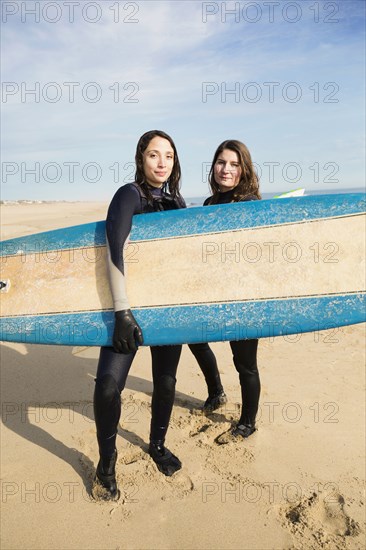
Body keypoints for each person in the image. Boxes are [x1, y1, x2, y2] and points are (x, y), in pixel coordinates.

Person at [93, 130, 186, 500]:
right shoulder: (129, 194)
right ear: (141, 159)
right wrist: (121, 311)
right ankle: (107, 461)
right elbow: (114, 249)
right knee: (106, 386)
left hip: (167, 308)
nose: (162, 162)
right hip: (127, 307)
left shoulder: (178, 202)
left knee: (165, 382)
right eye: (153, 155)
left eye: (168, 156)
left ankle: (157, 445)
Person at [189, 139, 262, 439]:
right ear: (214, 166)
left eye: (233, 164)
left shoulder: (249, 203)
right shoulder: (209, 204)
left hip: (242, 296)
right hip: (211, 291)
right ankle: (216, 391)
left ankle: (247, 423)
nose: (226, 169)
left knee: (244, 363)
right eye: (221, 162)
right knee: (194, 338)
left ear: (243, 169)